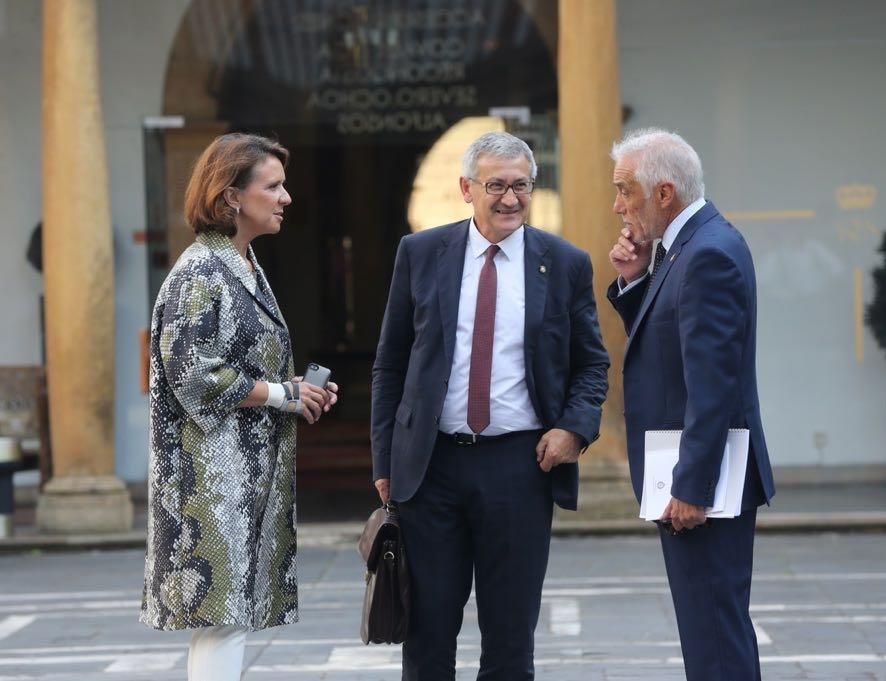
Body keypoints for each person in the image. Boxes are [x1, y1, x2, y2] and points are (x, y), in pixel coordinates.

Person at [371, 131, 609, 680]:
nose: (509, 198)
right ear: (465, 189)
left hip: (519, 469)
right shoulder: (421, 254)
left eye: (520, 186)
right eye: (496, 185)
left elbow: (592, 363)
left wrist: (574, 429)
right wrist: (385, 461)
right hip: (432, 469)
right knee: (427, 633)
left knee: (509, 637)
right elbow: (391, 364)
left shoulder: (565, 263)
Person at [140, 133, 338, 681]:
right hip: (208, 475)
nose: (286, 197)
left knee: (233, 617)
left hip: (241, 472)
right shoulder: (202, 271)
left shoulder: (243, 264)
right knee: (223, 617)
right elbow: (191, 372)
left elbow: (236, 363)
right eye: (272, 186)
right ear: (231, 196)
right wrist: (281, 394)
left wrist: (293, 388)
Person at [606, 128, 775, 680]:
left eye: (625, 190)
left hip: (704, 486)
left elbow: (713, 386)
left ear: (663, 193)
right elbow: (671, 348)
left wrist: (690, 487)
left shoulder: (706, 254)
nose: (617, 207)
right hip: (696, 478)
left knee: (715, 638)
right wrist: (634, 281)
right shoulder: (686, 247)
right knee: (709, 633)